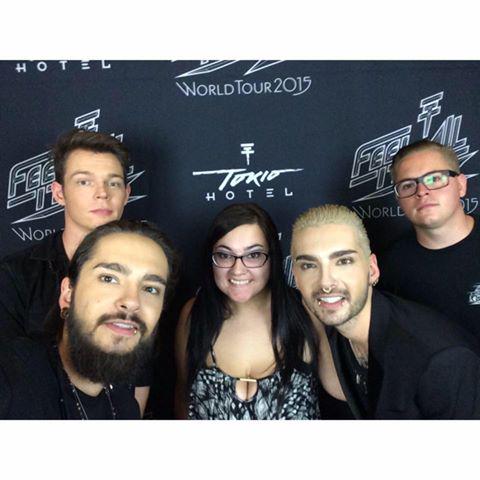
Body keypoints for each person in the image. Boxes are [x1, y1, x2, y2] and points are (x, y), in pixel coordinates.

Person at [0, 128, 152, 415]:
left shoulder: (144, 278)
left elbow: (139, 381)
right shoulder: (15, 276)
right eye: (84, 181)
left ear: (126, 194)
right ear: (59, 193)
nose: (102, 193)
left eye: (114, 183)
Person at [291, 204, 480, 419]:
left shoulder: (441, 362)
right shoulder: (336, 328)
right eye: (309, 266)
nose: (325, 282)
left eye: (344, 261)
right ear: (296, 277)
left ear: (372, 270)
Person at [0, 219, 178, 419]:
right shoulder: (11, 378)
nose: (131, 301)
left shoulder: (126, 405)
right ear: (68, 294)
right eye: (109, 278)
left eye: (151, 289)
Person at [175, 203, 320, 420]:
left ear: (272, 257)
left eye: (254, 255)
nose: (238, 270)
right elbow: (182, 397)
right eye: (224, 255)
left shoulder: (306, 311)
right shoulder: (193, 314)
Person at [379, 139, 480, 339]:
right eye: (408, 185)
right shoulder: (390, 267)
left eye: (434, 179)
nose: (421, 191)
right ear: (399, 199)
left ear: (461, 185)